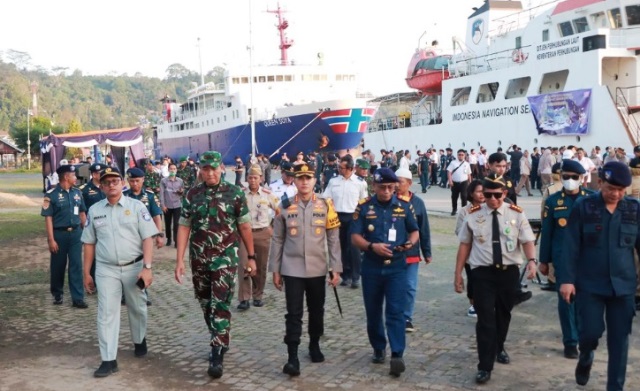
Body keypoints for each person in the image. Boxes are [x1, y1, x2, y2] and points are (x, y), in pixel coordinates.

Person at [174, 151, 256, 379]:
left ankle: (216, 351)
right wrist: (179, 260)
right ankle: (220, 334)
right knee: (205, 301)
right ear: (200, 169)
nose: (209, 173)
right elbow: (183, 227)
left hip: (225, 259)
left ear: (222, 168)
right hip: (199, 259)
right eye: (205, 169)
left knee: (220, 303)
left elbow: (245, 227)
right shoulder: (192, 195)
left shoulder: (235, 193)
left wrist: (251, 256)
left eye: (213, 168)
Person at [558, 161, 639, 390]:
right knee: (589, 334)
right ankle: (586, 356)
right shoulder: (584, 207)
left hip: (623, 288)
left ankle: (615, 387)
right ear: (600, 182)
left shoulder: (634, 209)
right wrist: (566, 280)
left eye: (621, 190)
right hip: (590, 286)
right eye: (610, 188)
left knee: (619, 342)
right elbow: (571, 246)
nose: (616, 194)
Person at [454, 173, 537, 384]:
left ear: (505, 193)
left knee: (503, 315)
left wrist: (532, 262)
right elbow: (465, 245)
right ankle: (484, 366)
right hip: (483, 274)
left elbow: (527, 240)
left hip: (508, 273)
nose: (492, 199)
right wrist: (458, 274)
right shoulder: (473, 215)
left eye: (497, 195)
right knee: (485, 321)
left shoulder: (516, 214)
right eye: (488, 195)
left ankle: (499, 347)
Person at [81, 167, 159, 378]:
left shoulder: (137, 207)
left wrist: (147, 268)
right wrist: (86, 272)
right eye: (107, 182)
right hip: (106, 269)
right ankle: (108, 359)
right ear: (102, 186)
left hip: (135, 266)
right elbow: (89, 243)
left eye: (116, 180)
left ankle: (139, 339)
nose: (112, 184)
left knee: (137, 307)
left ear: (122, 183)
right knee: (106, 313)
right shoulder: (95, 210)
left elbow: (148, 238)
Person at [268, 162, 342, 376]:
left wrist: (335, 267)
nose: (304, 182)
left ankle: (314, 344)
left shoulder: (326, 205)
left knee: (317, 310)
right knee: (293, 313)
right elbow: (278, 239)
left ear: (314, 180)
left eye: (308, 178)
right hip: (292, 269)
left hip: (318, 268)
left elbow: (333, 238)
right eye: (300, 178)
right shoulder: (284, 205)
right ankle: (292, 356)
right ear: (295, 180)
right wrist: (275, 269)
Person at [350, 168, 419, 377]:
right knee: (373, 311)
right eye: (383, 187)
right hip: (371, 265)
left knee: (396, 311)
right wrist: (372, 247)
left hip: (397, 266)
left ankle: (397, 353)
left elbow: (415, 230)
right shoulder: (364, 207)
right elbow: (354, 236)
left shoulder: (404, 207)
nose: (387, 191)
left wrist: (410, 243)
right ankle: (379, 347)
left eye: (391, 187)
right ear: (374, 186)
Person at [538, 159, 593, 360]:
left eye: (574, 177)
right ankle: (570, 341)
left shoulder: (592, 199)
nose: (570, 181)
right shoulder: (553, 202)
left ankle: (582, 333)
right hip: (563, 259)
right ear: (561, 178)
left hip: (588, 260)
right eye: (566, 177)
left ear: (582, 178)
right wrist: (544, 261)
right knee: (566, 299)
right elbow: (547, 232)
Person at [41, 164, 88, 308]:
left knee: (76, 265)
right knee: (58, 266)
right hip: (59, 235)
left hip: (75, 234)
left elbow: (82, 213)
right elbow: (48, 218)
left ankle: (78, 298)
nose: (76, 178)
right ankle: (57, 293)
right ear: (66, 177)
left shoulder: (77, 193)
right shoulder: (51, 195)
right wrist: (51, 240)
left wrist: (87, 233)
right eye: (73, 175)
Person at [237, 165, 279, 311]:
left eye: (255, 178)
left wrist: (273, 226)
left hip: (262, 233)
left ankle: (258, 295)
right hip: (244, 234)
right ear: (246, 179)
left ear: (261, 179)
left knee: (260, 266)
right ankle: (244, 298)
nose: (253, 180)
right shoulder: (241, 194)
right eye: (250, 178)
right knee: (244, 265)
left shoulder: (267, 194)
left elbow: (279, 210)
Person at [394, 168, 432, 333]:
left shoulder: (418, 203)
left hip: (411, 252)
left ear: (409, 183)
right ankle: (394, 316)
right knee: (394, 287)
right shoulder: (389, 200)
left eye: (400, 181)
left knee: (410, 286)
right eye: (395, 181)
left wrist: (427, 252)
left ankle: (407, 317)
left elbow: (423, 228)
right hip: (393, 252)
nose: (396, 185)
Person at [323, 155, 368, 288]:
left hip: (353, 217)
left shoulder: (360, 183)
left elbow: (364, 201)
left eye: (341, 167)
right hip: (337, 217)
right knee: (341, 247)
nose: (339, 169)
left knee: (354, 248)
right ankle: (346, 275)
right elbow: (326, 197)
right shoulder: (334, 181)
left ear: (350, 168)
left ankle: (356, 276)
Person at [454, 179, 486, 318]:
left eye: (483, 191)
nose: (482, 194)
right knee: (473, 280)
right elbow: (459, 231)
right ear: (471, 193)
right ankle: (473, 304)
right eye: (478, 191)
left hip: (485, 253)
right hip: (470, 252)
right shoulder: (464, 211)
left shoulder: (489, 208)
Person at [80, 163, 107, 286]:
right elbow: (82, 210)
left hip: (108, 225)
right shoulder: (84, 190)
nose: (100, 175)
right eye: (98, 173)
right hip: (93, 225)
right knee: (92, 255)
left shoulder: (107, 186)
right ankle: (92, 281)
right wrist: (85, 225)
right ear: (93, 174)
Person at [159, 163, 184, 248]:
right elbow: (161, 193)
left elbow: (182, 193)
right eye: (171, 169)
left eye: (174, 169)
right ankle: (169, 238)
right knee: (168, 223)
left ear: (176, 170)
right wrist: (163, 205)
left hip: (177, 205)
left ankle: (176, 241)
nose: (172, 170)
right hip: (167, 206)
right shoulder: (163, 181)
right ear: (168, 170)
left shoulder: (180, 181)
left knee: (177, 224)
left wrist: (181, 192)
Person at [447, 149, 472, 215]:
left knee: (464, 196)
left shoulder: (467, 164)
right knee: (454, 197)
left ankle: (464, 211)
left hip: (464, 182)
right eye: (459, 155)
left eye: (462, 155)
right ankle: (454, 209)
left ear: (464, 155)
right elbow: (449, 172)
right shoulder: (453, 163)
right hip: (455, 183)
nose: (460, 156)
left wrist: (470, 182)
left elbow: (469, 174)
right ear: (457, 155)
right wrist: (450, 181)